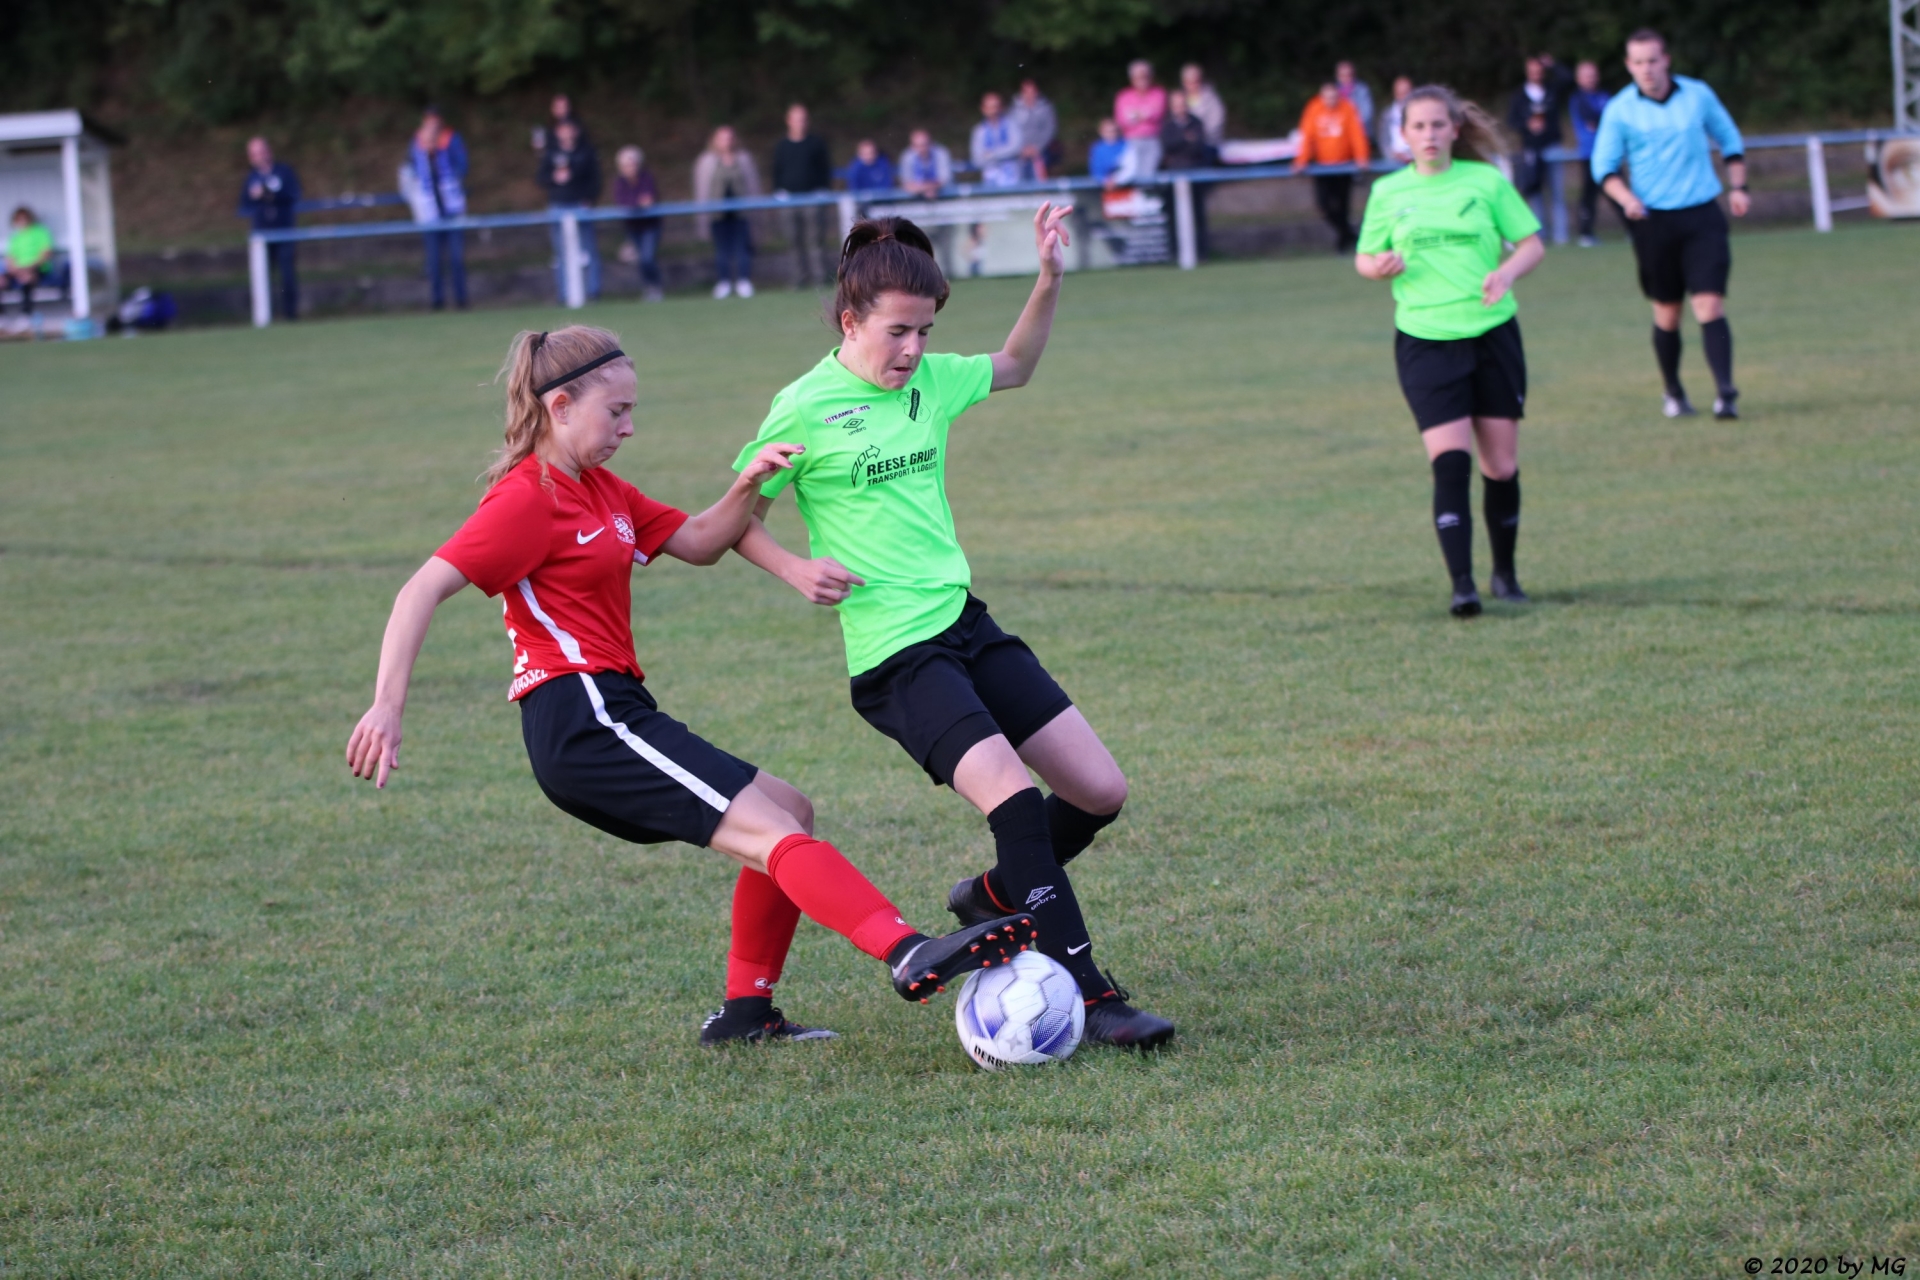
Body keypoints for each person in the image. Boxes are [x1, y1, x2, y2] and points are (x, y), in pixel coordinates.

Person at [345, 325, 1041, 1045]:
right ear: (560, 406)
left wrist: (748, 482)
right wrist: (387, 706)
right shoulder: (527, 500)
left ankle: (745, 1015)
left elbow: (703, 542)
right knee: (773, 834)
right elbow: (420, 589)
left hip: (617, 708)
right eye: (616, 411)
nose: (629, 427)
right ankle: (907, 950)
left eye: (632, 410)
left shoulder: (602, 490)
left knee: (790, 810)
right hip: (580, 716)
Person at [728, 212, 1177, 1050]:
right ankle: (1089, 993)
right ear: (850, 320)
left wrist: (1049, 277)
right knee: (1014, 799)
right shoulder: (804, 405)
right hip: (896, 656)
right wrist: (793, 568)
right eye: (897, 332)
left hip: (966, 624)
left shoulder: (933, 381)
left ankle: (995, 897)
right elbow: (736, 521)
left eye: (926, 332)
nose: (913, 350)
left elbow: (1015, 365)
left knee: (1098, 791)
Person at [1355, 85, 1546, 618]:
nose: (1429, 135)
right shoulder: (1388, 191)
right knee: (1450, 464)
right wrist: (1380, 267)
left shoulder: (1485, 181)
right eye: (1418, 126)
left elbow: (1531, 244)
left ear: (1455, 129)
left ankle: (1505, 574)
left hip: (1491, 336)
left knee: (1500, 466)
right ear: (1404, 135)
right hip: (1425, 340)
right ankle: (1463, 586)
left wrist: (1506, 273)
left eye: (1438, 124)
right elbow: (1365, 257)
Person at [1592, 28, 1749, 419]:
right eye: (1638, 62)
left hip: (1701, 214)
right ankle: (1674, 392)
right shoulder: (1620, 109)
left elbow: (1729, 139)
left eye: (1652, 60)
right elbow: (1604, 168)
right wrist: (1627, 199)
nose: (1647, 69)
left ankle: (1725, 393)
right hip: (1653, 222)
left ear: (1666, 60)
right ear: (1629, 66)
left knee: (1709, 302)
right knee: (1668, 312)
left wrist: (1739, 187)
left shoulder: (1697, 95)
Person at [1294, 82, 1371, 252]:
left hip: (1344, 167)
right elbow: (1307, 136)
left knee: (1343, 207)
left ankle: (1343, 244)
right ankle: (1350, 235)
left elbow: (1356, 134)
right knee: (1323, 206)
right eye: (1327, 98)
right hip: (1322, 168)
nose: (1331, 101)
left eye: (1334, 97)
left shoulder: (1347, 108)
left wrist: (1362, 157)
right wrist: (1301, 160)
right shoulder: (1314, 108)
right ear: (1321, 97)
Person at [408, 108, 469, 311]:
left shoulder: (451, 141)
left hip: (452, 210)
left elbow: (462, 167)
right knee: (433, 260)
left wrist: (441, 154)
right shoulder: (417, 145)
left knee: (456, 258)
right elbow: (411, 173)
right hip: (429, 212)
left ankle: (461, 300)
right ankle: (437, 301)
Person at [236, 137, 301, 321]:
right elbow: (243, 205)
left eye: (261, 151)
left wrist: (270, 195)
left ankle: (290, 315)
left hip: (284, 233)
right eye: (254, 154)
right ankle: (266, 317)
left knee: (287, 276)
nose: (259, 156)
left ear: (268, 151)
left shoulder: (283, 171)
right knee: (263, 278)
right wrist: (255, 196)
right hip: (262, 235)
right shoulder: (251, 178)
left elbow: (294, 194)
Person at [539, 118, 603, 303]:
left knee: (589, 250)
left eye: (569, 129)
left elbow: (595, 178)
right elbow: (540, 177)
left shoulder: (586, 151)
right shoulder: (551, 153)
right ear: (557, 132)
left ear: (575, 131)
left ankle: (593, 292)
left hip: (580, 206)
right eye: (562, 129)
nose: (566, 133)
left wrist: (590, 199)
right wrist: (553, 177)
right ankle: (563, 294)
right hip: (558, 207)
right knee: (560, 253)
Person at [694, 125, 761, 299]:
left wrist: (755, 210)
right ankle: (723, 282)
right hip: (717, 215)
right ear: (715, 141)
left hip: (741, 213)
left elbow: (753, 186)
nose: (727, 142)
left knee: (742, 248)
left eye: (730, 138)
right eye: (722, 138)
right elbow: (702, 190)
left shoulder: (744, 159)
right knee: (721, 250)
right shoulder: (706, 161)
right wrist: (702, 217)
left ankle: (744, 281)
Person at [771, 103, 834, 289]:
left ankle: (820, 277)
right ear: (788, 121)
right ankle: (798, 278)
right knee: (793, 241)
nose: (800, 123)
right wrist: (779, 191)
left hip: (813, 200)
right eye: (797, 119)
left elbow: (825, 168)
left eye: (803, 119)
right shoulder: (782, 146)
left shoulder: (816, 143)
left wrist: (823, 189)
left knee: (816, 240)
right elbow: (776, 171)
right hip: (789, 201)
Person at [1508, 57, 1569, 245]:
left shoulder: (1551, 89)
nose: (1536, 74)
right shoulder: (1519, 95)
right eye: (1532, 70)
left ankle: (1561, 236)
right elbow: (1512, 121)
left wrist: (1552, 64)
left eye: (1539, 70)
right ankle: (1540, 234)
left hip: (1552, 148)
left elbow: (1568, 79)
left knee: (1558, 193)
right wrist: (1527, 125)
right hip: (1531, 150)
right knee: (1535, 193)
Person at [1160, 90, 1214, 256]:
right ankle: (1175, 253)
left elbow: (1198, 147)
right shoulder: (1167, 125)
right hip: (1174, 176)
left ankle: (1202, 253)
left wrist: (1180, 144)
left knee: (1198, 215)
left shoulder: (1196, 123)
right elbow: (1167, 146)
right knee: (1174, 216)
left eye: (1182, 104)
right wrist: (1185, 139)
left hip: (1195, 174)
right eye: (1176, 105)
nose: (1180, 108)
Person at [1568, 60, 1613, 246]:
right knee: (1589, 195)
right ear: (1579, 79)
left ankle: (1633, 227)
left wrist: (1601, 122)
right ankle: (1585, 233)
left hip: (1610, 152)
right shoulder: (1578, 99)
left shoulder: (1605, 96)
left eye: (1593, 75)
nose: (1591, 79)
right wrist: (1601, 120)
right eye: (1587, 76)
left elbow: (1611, 119)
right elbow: (1593, 118)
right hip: (1589, 154)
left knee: (1617, 190)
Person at [612, 146, 663, 301]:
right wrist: (638, 203)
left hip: (650, 226)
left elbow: (650, 198)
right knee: (641, 259)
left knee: (647, 257)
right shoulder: (620, 182)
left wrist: (639, 203)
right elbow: (623, 202)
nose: (631, 168)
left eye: (633, 164)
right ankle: (649, 287)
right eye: (627, 165)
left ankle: (655, 286)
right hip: (632, 227)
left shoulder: (647, 177)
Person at [1114, 60, 1167, 179]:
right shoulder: (1124, 96)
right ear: (1132, 79)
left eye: (1145, 76)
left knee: (1149, 175)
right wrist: (1146, 113)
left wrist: (1136, 115)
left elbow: (1157, 114)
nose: (1142, 80)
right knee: (1131, 174)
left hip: (1153, 140)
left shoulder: (1158, 93)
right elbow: (1121, 120)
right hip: (1130, 141)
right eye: (1138, 77)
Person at [4, 206, 53, 317]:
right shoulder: (15, 237)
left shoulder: (40, 232)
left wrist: (29, 268)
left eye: (24, 218)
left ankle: (26, 314)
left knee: (27, 278)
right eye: (19, 219)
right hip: (19, 270)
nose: (22, 221)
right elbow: (10, 258)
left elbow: (46, 254)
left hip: (38, 268)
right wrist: (16, 271)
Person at [970, 92, 1024, 188]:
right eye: (989, 107)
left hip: (1014, 177)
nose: (993, 111)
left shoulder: (1011, 125)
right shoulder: (979, 131)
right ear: (983, 109)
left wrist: (991, 154)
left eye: (995, 106)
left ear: (1001, 108)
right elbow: (977, 160)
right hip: (989, 180)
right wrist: (1004, 154)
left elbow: (1016, 148)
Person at [1010, 79, 1060, 180]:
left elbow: (1050, 129)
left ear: (1037, 92)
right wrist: (1021, 149)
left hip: (1041, 152)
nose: (1029, 95)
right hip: (1020, 153)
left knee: (1041, 180)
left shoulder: (1046, 108)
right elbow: (1011, 130)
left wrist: (1037, 148)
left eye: (1032, 92)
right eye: (1026, 92)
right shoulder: (1013, 110)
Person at [1181, 64, 1226, 148]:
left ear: (1201, 80)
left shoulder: (1212, 99)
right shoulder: (1180, 98)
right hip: (1183, 144)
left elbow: (1216, 123)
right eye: (1188, 82)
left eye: (1195, 81)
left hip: (1207, 143)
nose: (1192, 85)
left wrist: (1197, 135)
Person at [1379, 76, 1415, 164]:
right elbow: (1383, 141)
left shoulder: (1422, 114)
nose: (1404, 96)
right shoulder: (1387, 115)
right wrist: (1392, 155)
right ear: (1395, 94)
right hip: (1393, 162)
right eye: (1401, 93)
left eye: (1407, 92)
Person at [1336, 61, 1375, 131]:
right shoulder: (1334, 91)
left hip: (1360, 130)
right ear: (1338, 76)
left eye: (1349, 75)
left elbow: (1367, 114)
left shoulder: (1362, 89)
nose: (1345, 78)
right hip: (1339, 131)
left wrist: (1350, 126)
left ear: (1354, 75)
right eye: (1342, 75)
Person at [1088, 118, 1129, 186]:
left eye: (1114, 131)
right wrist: (1104, 180)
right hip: (1102, 186)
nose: (1112, 134)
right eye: (1108, 131)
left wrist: (1116, 179)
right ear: (1101, 132)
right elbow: (1095, 169)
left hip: (1125, 183)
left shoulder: (1126, 145)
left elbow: (1129, 168)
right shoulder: (1097, 148)